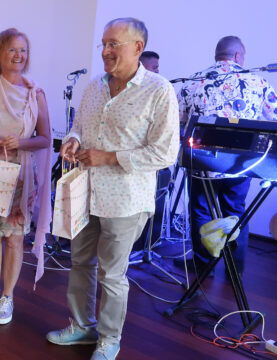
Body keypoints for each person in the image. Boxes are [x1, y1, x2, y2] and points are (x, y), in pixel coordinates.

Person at [46, 18, 179, 360]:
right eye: (103, 44)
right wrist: (72, 140)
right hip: (85, 192)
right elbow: (79, 125)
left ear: (138, 47)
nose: (105, 51)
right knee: (80, 262)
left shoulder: (159, 90)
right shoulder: (94, 86)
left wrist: (109, 157)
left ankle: (108, 339)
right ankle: (82, 326)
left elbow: (165, 153)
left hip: (125, 201)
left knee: (112, 274)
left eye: (113, 44)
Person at [177, 36, 277, 276]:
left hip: (201, 163)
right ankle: (234, 269)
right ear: (237, 55)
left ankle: (203, 265)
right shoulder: (257, 81)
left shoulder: (193, 81)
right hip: (240, 165)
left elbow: (179, 121)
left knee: (200, 211)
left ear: (217, 54)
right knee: (235, 211)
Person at [0, 28, 52, 325]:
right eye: (13, 50)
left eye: (23, 50)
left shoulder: (35, 94)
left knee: (15, 239)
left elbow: (45, 139)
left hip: (21, 174)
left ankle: (8, 296)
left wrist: (22, 143)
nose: (19, 55)